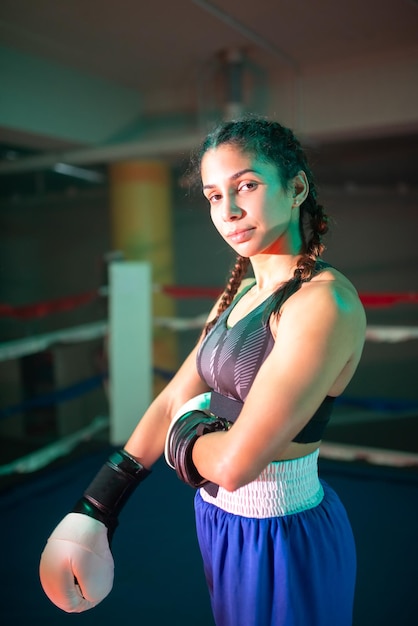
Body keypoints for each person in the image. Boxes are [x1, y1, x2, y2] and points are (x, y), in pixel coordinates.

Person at [40, 115, 367, 626]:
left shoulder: (323, 304)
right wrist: (97, 505)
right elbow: (176, 397)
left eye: (248, 185)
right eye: (215, 195)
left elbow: (236, 465)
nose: (230, 210)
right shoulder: (241, 291)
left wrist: (184, 428)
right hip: (219, 522)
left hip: (282, 533)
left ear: (297, 186)